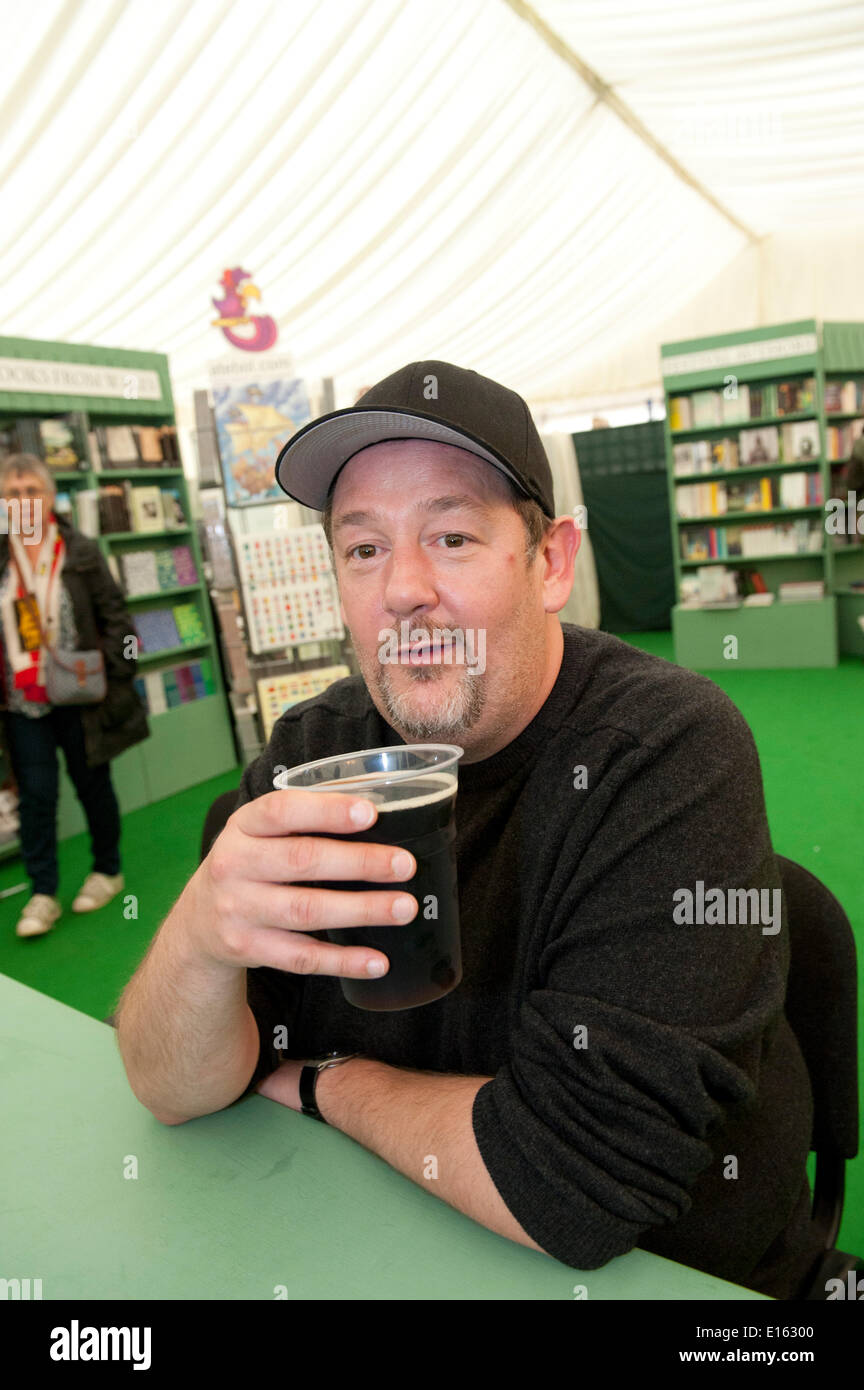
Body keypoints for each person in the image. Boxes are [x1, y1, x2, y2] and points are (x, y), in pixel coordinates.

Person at [115, 362, 823, 1300]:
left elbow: (573, 1187)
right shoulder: (310, 752)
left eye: (451, 537)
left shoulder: (663, 752)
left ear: (551, 564)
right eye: (362, 550)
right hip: (368, 1247)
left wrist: (326, 1084)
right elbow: (169, 1087)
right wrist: (200, 936)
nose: (403, 590)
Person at [0, 454, 148, 937]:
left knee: (92, 784)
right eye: (12, 492)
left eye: (31, 491)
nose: (22, 501)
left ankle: (107, 870)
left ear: (49, 497)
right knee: (37, 797)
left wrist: (109, 669)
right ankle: (42, 892)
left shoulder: (79, 550)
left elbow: (116, 616)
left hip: (81, 694)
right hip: (23, 702)